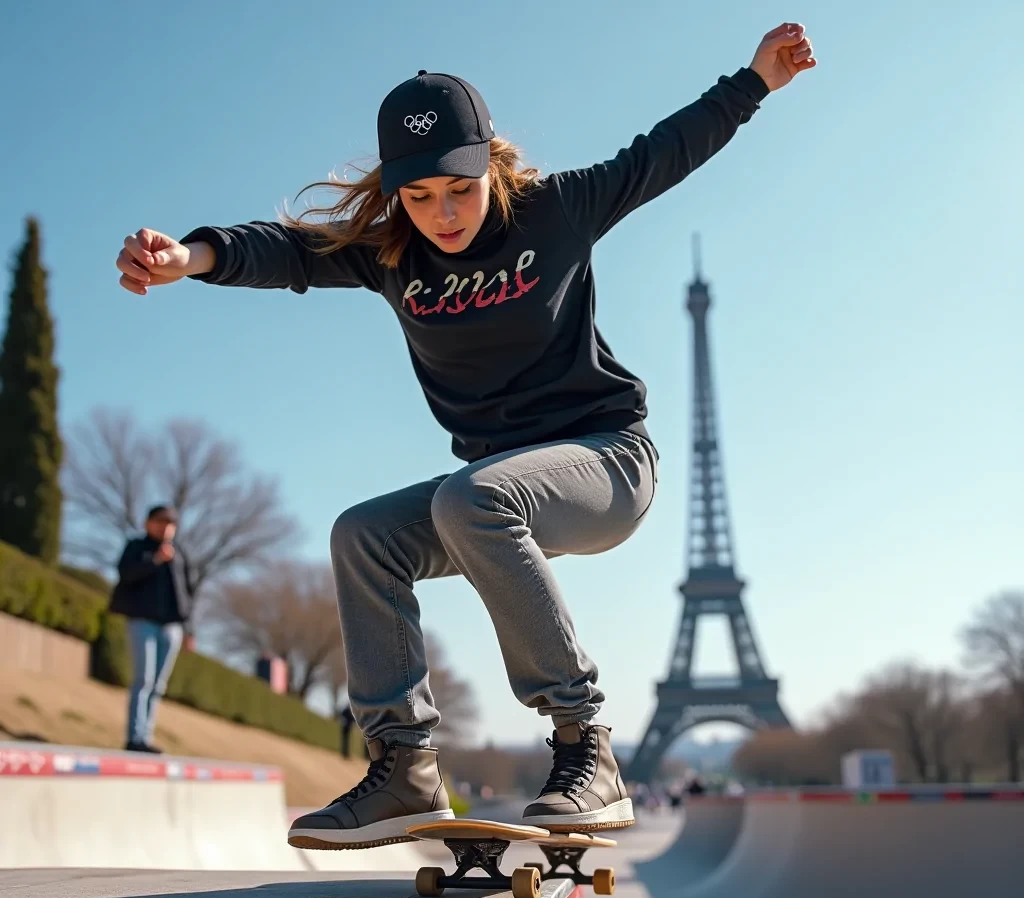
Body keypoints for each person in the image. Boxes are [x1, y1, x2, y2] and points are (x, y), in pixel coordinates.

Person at [114, 25, 815, 847]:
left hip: (607, 463)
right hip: (489, 498)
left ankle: (583, 741)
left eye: (459, 190)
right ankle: (405, 769)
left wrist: (756, 81)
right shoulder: (392, 255)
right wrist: (190, 257)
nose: (441, 215)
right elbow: (290, 253)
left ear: (490, 166)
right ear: (395, 195)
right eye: (418, 198)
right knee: (364, 537)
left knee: (472, 497)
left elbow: (663, 151)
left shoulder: (557, 210)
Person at [108, 505, 194, 753]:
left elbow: (188, 594)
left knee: (158, 685)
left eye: (170, 523)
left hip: (172, 627)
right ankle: (134, 738)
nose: (165, 527)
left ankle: (146, 736)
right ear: (148, 523)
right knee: (142, 680)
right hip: (142, 620)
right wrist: (155, 560)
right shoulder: (137, 547)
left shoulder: (180, 554)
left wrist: (190, 629)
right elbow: (125, 574)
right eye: (159, 521)